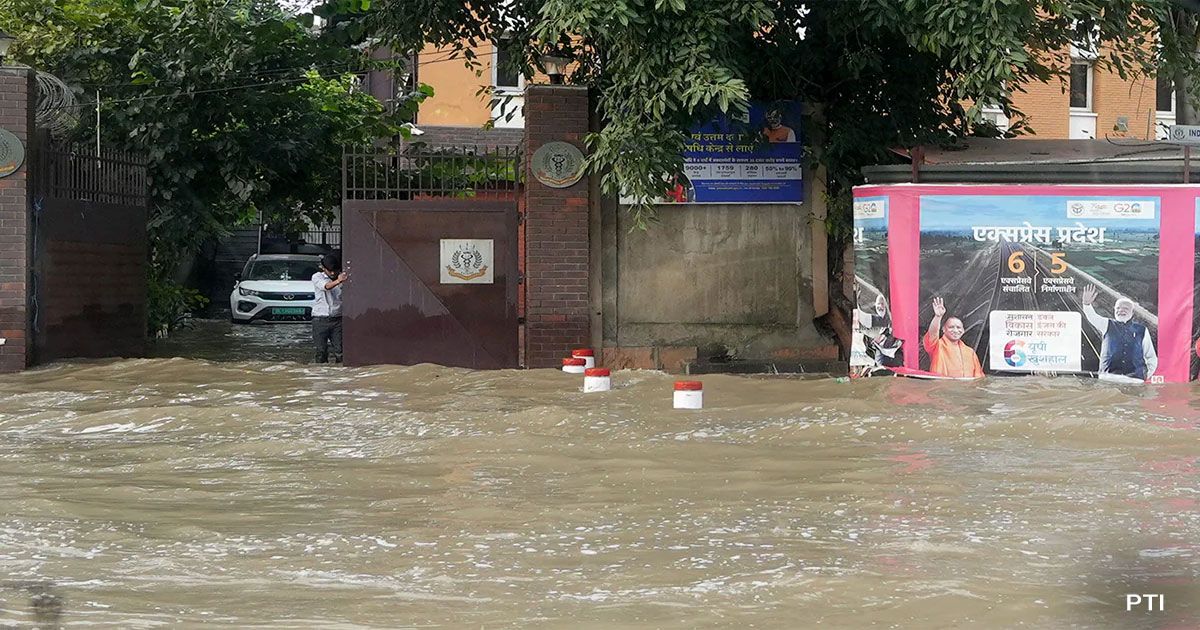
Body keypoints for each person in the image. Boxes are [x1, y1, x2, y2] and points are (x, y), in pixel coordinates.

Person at [1081, 285, 1157, 381]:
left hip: (1134, 380)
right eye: (1118, 308)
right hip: (1109, 378)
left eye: (1125, 308)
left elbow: (1150, 356)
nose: (1121, 310)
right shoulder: (1106, 324)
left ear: (1132, 312)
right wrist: (1086, 304)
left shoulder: (1142, 330)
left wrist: (1145, 375)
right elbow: (1092, 316)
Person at [922, 296, 983, 378]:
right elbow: (932, 333)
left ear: (963, 330)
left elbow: (978, 378)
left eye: (958, 327)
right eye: (951, 327)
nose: (955, 330)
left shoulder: (970, 352)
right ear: (943, 329)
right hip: (942, 388)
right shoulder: (937, 346)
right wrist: (938, 317)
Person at [312, 253, 348, 363]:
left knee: (340, 351)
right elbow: (326, 287)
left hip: (337, 319)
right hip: (320, 319)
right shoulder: (317, 276)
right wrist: (338, 281)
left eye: (335, 270)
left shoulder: (343, 277)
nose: (332, 273)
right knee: (321, 351)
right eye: (329, 271)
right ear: (323, 268)